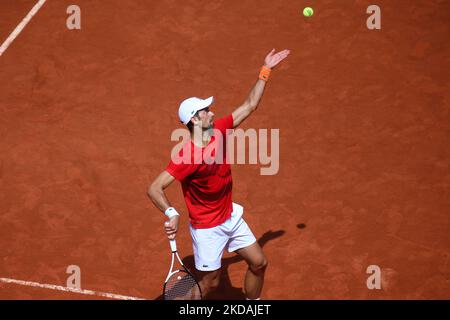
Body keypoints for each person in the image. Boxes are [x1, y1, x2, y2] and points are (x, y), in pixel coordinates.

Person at [148, 48, 290, 300]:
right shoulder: (187, 155)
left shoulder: (219, 131)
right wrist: (171, 212)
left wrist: (265, 70)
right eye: (206, 110)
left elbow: (250, 105)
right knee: (210, 284)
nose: (212, 112)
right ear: (195, 120)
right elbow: (155, 188)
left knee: (259, 263)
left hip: (229, 216)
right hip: (207, 229)